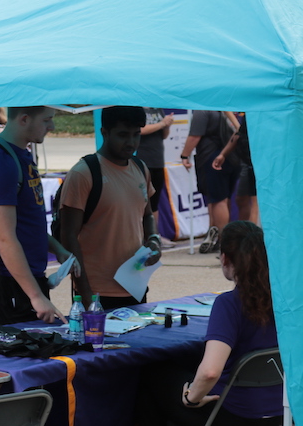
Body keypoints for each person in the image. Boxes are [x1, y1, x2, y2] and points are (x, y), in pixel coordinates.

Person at [137, 221, 280, 426]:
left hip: (235, 415)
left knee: (150, 376)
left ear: (224, 259)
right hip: (282, 412)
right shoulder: (284, 300)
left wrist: (191, 398)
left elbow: (211, 372)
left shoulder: (230, 304)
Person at [0, 106, 76, 324]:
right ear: (25, 119)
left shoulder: (20, 155)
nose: (52, 126)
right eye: (47, 120)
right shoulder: (0, 162)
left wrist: (58, 249)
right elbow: (3, 237)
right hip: (4, 282)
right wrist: (35, 296)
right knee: (12, 357)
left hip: (23, 280)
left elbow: (26, 222)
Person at [60, 106, 162, 309]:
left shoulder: (140, 168)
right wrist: (87, 295)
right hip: (96, 292)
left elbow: (147, 215)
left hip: (135, 286)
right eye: (123, 135)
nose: (131, 142)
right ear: (104, 132)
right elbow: (68, 236)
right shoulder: (84, 173)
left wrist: (153, 240)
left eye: (136, 135)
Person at [180, 111, 239, 253]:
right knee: (221, 199)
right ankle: (216, 237)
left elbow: (194, 136)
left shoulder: (203, 110)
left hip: (212, 157)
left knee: (218, 200)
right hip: (230, 156)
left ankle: (223, 241)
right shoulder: (226, 109)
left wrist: (184, 155)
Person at [137, 107, 174, 246]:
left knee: (154, 202)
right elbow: (140, 130)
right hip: (143, 160)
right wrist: (162, 124)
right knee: (142, 202)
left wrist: (167, 125)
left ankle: (155, 236)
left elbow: (163, 135)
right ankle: (141, 237)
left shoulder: (157, 109)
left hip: (158, 161)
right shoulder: (138, 109)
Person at [213, 113, 258, 225]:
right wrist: (223, 154)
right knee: (241, 198)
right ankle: (243, 233)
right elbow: (239, 133)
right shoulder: (248, 117)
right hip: (247, 162)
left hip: (257, 163)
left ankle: (251, 238)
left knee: (255, 203)